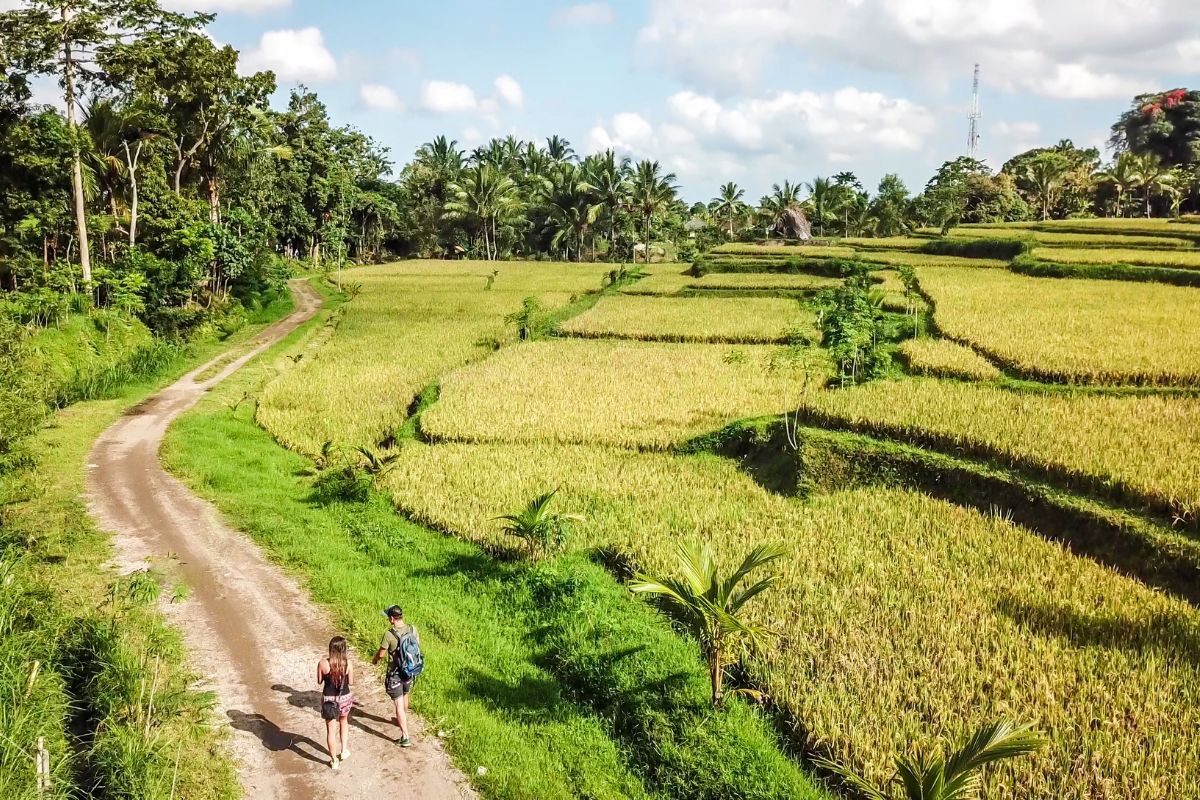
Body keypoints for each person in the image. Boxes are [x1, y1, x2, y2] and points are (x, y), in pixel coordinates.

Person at [373, 605, 420, 747]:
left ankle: (405, 737)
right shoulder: (412, 629)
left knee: (398, 704)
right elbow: (417, 646)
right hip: (410, 671)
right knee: (405, 694)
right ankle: (402, 718)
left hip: (395, 674)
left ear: (392, 619)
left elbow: (381, 653)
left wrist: (374, 660)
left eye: (388, 617)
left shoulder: (389, 634)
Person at [317, 636, 354, 770]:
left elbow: (319, 681)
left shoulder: (323, 663)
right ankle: (344, 750)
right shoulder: (348, 663)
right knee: (344, 721)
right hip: (344, 698)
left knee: (330, 731)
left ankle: (334, 761)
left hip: (329, 700)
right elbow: (351, 682)